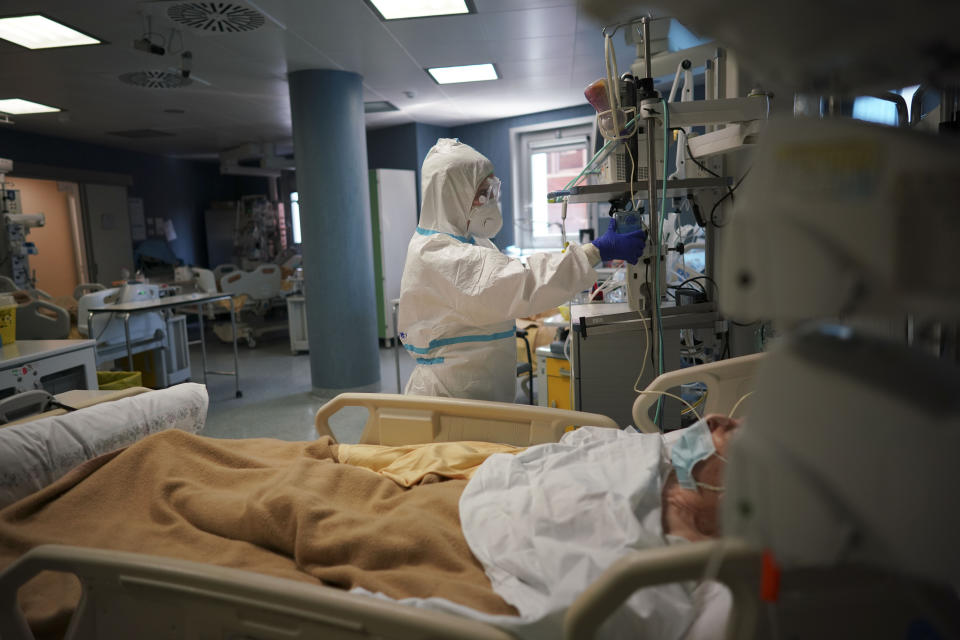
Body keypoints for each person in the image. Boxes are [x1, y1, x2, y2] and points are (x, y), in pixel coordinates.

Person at [398, 138, 647, 403]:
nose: (490, 200)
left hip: (476, 390)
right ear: (452, 196)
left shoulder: (471, 241)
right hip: (450, 397)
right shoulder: (437, 253)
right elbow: (522, 283)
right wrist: (595, 252)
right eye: (483, 193)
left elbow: (511, 273)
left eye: (492, 190)